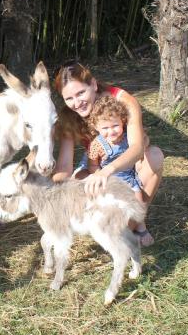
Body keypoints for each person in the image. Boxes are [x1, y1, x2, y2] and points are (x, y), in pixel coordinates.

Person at [52, 60, 164, 246]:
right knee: (78, 179)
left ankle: (132, 223)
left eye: (81, 93)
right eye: (69, 98)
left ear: (94, 85)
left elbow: (137, 148)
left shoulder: (122, 100)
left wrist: (107, 171)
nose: (77, 103)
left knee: (155, 156)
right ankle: (115, 225)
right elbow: (64, 165)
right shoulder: (68, 116)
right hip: (95, 165)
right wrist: (52, 194)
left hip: (128, 164)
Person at [86, 95, 154, 245]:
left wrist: (145, 142)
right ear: (96, 127)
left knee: (138, 202)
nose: (111, 131)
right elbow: (93, 165)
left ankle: (141, 226)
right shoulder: (97, 145)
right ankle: (116, 231)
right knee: (113, 208)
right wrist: (98, 176)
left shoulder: (127, 138)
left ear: (122, 121)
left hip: (129, 177)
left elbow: (143, 142)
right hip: (110, 180)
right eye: (105, 128)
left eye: (115, 126)